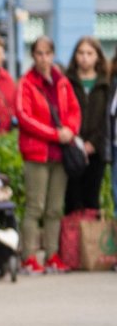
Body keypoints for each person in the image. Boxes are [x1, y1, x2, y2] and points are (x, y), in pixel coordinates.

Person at [15, 36, 79, 274]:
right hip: (37, 153)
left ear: (53, 55)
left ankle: (52, 255)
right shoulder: (26, 83)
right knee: (35, 207)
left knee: (54, 208)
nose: (43, 58)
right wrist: (55, 134)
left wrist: (70, 131)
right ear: (33, 56)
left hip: (60, 154)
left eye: (47, 53)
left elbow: (74, 110)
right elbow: (24, 116)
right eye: (39, 53)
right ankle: (29, 257)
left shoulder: (62, 82)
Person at [64, 37, 108, 215]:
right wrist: (77, 142)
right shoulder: (66, 82)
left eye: (89, 53)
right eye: (80, 53)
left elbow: (107, 120)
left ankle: (90, 242)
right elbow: (63, 113)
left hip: (96, 151)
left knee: (91, 199)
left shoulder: (106, 85)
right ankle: (71, 242)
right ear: (75, 56)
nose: (84, 57)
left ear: (97, 57)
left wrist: (93, 144)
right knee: (72, 199)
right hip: (72, 149)